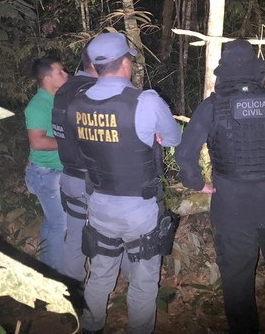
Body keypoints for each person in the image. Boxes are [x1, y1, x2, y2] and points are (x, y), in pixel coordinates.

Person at [175, 39, 265, 333]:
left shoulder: (211, 106)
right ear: (257, 70)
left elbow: (185, 153)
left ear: (222, 72)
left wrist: (197, 183)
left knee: (237, 278)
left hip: (232, 208)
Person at [66, 32, 182, 334]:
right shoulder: (145, 101)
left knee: (101, 274)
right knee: (143, 281)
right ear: (125, 63)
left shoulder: (76, 105)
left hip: (99, 204)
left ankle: (90, 327)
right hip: (139, 210)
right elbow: (173, 138)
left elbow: (80, 150)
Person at [51, 44, 98, 283]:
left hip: (69, 174)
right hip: (92, 178)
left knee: (75, 234)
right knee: (108, 236)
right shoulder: (93, 92)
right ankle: (102, 291)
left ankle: (72, 290)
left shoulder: (64, 90)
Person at [24, 55, 69, 272]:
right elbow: (38, 142)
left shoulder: (57, 100)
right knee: (61, 224)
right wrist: (70, 143)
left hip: (54, 171)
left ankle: (45, 268)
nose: (66, 74)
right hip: (46, 174)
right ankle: (60, 281)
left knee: (52, 222)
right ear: (47, 78)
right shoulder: (38, 105)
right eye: (60, 72)